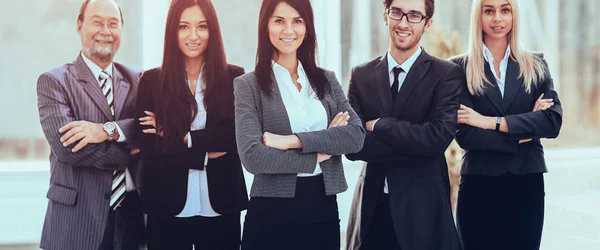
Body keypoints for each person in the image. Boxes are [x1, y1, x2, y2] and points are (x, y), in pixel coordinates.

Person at [233, 0, 365, 249]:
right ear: (266, 26)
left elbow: (355, 136)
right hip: (271, 211)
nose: (288, 30)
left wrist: (291, 141)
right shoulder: (248, 85)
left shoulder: (326, 80)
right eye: (279, 21)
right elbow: (253, 157)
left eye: (297, 21)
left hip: (322, 207)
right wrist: (319, 155)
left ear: (307, 28)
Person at [345, 0, 463, 249]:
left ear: (428, 23)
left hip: (423, 214)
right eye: (397, 12)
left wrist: (379, 126)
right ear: (385, 16)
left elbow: (436, 139)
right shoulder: (361, 75)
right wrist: (414, 141)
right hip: (371, 212)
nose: (403, 23)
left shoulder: (446, 74)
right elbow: (353, 145)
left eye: (414, 16)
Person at [133, 0, 248, 249]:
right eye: (184, 26)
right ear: (172, 31)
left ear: (212, 31)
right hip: (166, 209)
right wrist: (205, 155)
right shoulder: (151, 81)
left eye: (202, 26)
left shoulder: (235, 78)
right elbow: (149, 149)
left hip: (221, 207)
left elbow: (236, 138)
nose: (193, 35)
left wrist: (183, 138)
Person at [450, 0, 562, 249]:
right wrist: (526, 129)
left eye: (505, 10)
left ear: (514, 15)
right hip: (479, 184)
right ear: (478, 16)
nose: (497, 18)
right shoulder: (458, 68)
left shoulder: (536, 64)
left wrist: (490, 122)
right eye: (489, 11)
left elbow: (552, 122)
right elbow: (467, 135)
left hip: (527, 184)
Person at [36, 0, 144, 249]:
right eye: (97, 22)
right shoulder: (55, 82)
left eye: (113, 23)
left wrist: (105, 131)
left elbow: (150, 131)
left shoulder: (139, 79)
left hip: (131, 220)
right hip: (76, 222)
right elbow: (68, 148)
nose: (105, 31)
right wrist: (130, 151)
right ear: (79, 25)